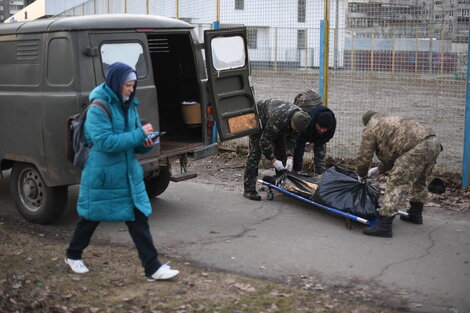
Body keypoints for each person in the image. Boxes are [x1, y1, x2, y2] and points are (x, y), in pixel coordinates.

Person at [65, 62, 179, 281]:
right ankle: (73, 254)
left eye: (133, 84)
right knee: (91, 216)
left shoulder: (130, 106)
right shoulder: (98, 108)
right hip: (103, 174)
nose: (130, 89)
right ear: (116, 83)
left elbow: (133, 143)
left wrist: (145, 142)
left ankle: (152, 267)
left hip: (127, 173)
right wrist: (138, 135)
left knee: (138, 219)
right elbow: (105, 143)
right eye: (127, 84)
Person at [356, 110, 442, 238]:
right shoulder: (389, 122)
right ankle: (415, 213)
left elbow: (364, 155)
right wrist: (379, 169)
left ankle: (384, 225)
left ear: (366, 122)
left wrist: (362, 173)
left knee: (396, 182)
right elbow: (393, 154)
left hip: (417, 147)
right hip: (434, 142)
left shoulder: (371, 127)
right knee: (420, 178)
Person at [243, 99, 311, 201]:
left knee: (280, 151)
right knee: (254, 154)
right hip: (258, 117)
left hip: (277, 123)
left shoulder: (301, 120)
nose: (296, 131)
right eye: (295, 128)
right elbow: (264, 141)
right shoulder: (279, 118)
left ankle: (281, 182)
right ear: (292, 121)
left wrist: (290, 157)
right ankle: (249, 190)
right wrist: (273, 161)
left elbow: (291, 139)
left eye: (298, 130)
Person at [292, 90, 336, 174]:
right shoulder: (307, 123)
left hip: (317, 137)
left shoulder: (331, 125)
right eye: (320, 128)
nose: (322, 131)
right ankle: (294, 171)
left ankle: (321, 175)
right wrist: (297, 169)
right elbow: (300, 145)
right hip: (306, 131)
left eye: (325, 129)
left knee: (320, 153)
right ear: (316, 123)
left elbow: (327, 137)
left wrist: (313, 144)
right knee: (295, 150)